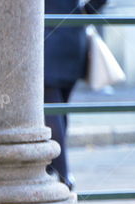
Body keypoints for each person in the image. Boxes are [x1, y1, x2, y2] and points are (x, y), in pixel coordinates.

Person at [44, 0, 108, 189]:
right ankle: (52, 166)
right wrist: (84, 12)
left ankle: (63, 174)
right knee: (60, 109)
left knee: (52, 110)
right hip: (73, 37)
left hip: (46, 39)